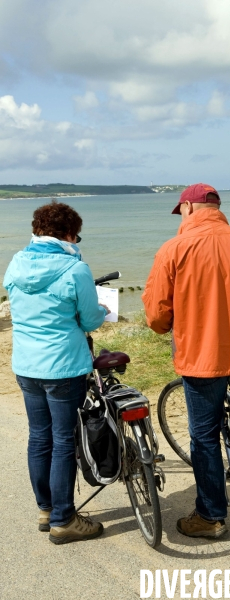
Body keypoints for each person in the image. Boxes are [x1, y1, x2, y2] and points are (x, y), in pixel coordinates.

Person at [142, 183, 230, 538]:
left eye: (180, 210)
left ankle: (210, 515)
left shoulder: (174, 248)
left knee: (203, 436)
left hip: (203, 357)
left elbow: (156, 314)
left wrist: (169, 325)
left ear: (187, 207)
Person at [3, 201, 108, 544]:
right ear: (67, 234)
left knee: (39, 436)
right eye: (76, 234)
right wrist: (102, 308)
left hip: (26, 365)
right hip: (63, 366)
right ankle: (64, 519)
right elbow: (90, 320)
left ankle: (46, 509)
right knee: (64, 440)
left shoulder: (16, 262)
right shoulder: (74, 269)